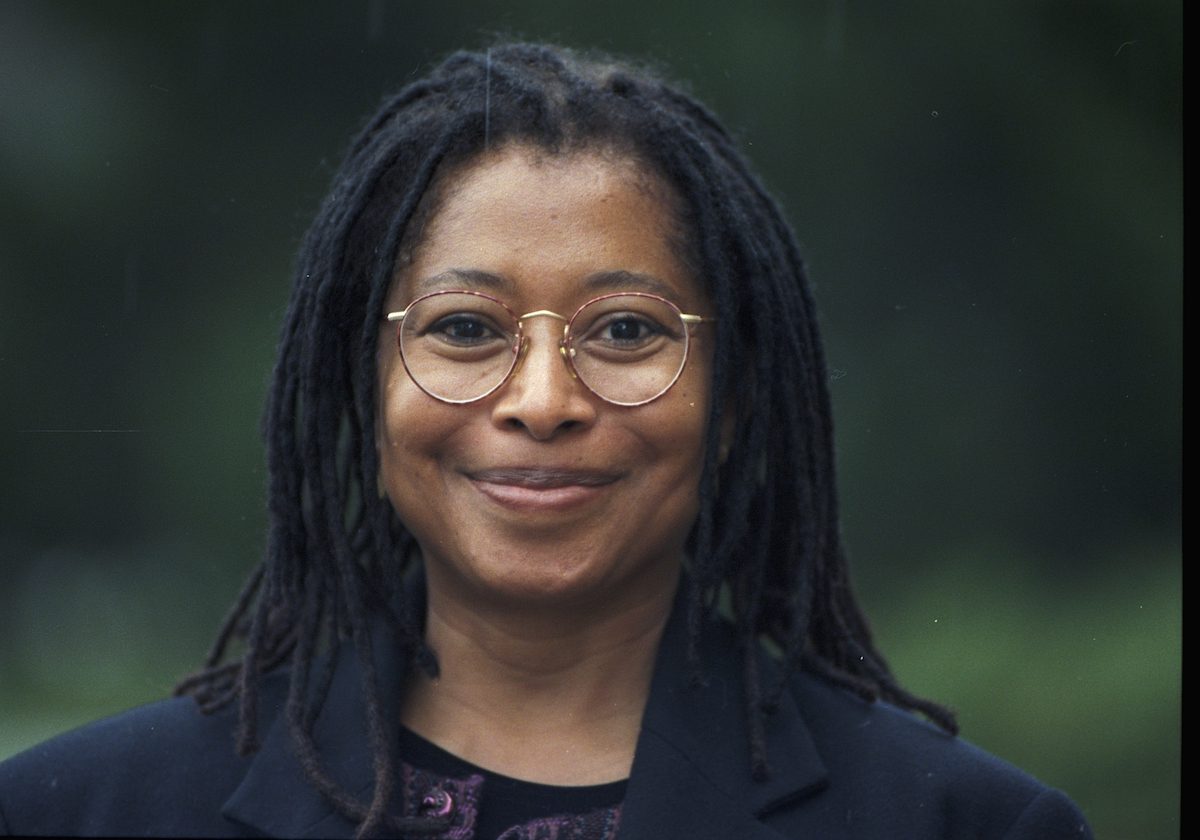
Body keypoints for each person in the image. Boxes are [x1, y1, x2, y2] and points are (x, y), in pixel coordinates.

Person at [0, 43, 1092, 839]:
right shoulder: (81, 813)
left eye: (625, 331)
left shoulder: (964, 826)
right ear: (362, 384)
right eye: (465, 329)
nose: (540, 399)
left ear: (736, 403)